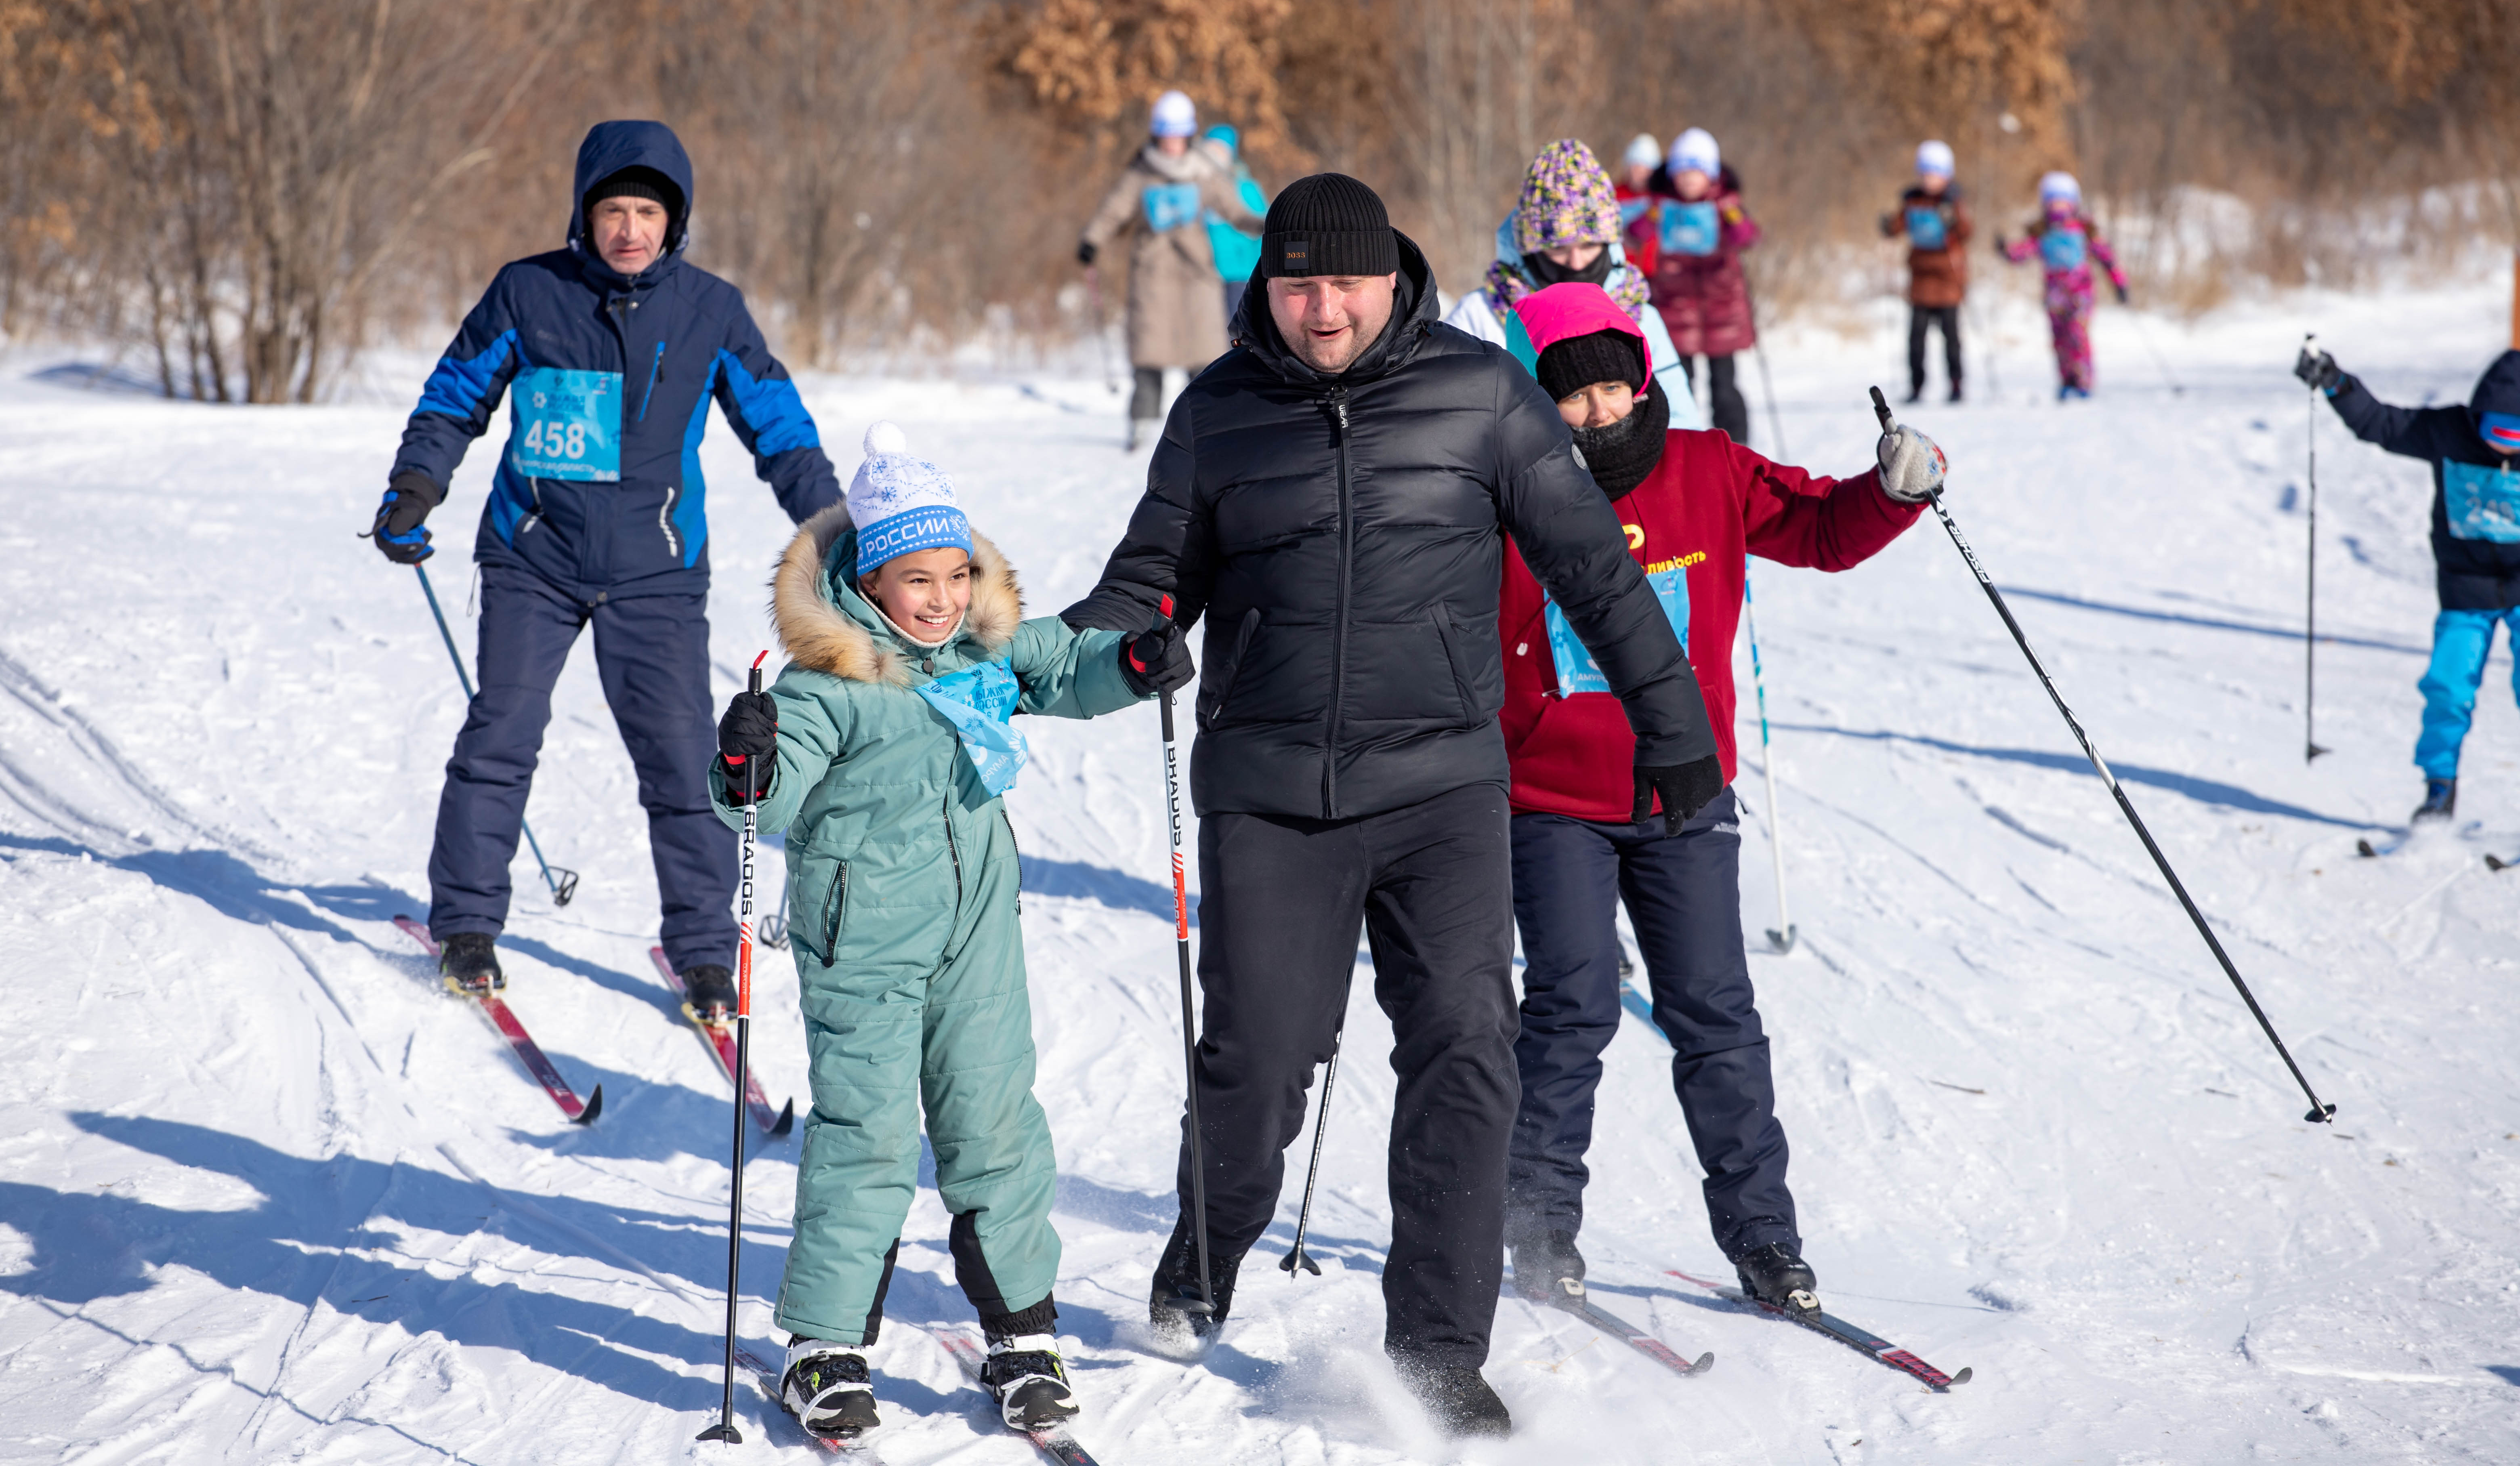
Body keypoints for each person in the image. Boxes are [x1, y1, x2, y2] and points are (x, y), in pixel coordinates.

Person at [1060, 172, 1724, 1439]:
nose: (1322, 309)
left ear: (1393, 278)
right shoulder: (1219, 411)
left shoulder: (1482, 393)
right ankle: (1203, 1253)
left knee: (1468, 1048)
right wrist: (1120, 643)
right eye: (1297, 283)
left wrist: (1672, 723)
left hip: (1443, 789)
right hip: (1269, 791)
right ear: (1268, 286)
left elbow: (1593, 563)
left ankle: (1436, 1349)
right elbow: (1145, 578)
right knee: (1256, 1059)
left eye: (1345, 282)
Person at [708, 422, 1174, 1443]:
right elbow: (768, 800)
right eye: (917, 580)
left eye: (957, 575)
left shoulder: (984, 646)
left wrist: (1133, 660)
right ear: (870, 580)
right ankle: (823, 1346)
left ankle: (1022, 1333)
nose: (943, 599)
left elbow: (1069, 667)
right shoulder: (826, 685)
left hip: (974, 938)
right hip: (859, 941)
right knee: (866, 1136)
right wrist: (744, 765)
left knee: (995, 1124)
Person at [1490, 280, 1943, 1325]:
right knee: (1573, 1009)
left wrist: (1895, 488)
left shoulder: (1706, 468)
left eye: (1612, 386)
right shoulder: (1505, 496)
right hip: (1553, 800)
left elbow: (1823, 527)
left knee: (1717, 1018)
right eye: (1570, 397)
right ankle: (1541, 1230)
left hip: (1686, 801)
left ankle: (1766, 1242)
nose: (1598, 412)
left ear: (1642, 375)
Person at [370, 120, 839, 1009]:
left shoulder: (711, 312)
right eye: (614, 210)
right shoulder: (529, 292)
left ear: (675, 222)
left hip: (656, 567)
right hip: (532, 556)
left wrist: (834, 531)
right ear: (585, 215)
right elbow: (456, 392)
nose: (630, 228)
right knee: (500, 735)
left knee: (682, 756)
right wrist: (417, 483)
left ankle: (704, 947)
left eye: (648, 212)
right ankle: (468, 924)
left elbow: (781, 431)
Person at [2297, 344, 2520, 822]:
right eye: (2496, 432)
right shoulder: (2448, 431)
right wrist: (2337, 383)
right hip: (2466, 588)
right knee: (2448, 686)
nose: (2505, 446)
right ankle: (2440, 786)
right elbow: (2380, 423)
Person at [1443, 138, 1701, 430]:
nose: (1577, 263)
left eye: (1590, 245)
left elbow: (1682, 425)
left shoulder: (1639, 315)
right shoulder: (1479, 316)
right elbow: (1447, 418)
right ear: (1530, 251)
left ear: (1609, 243)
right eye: (1558, 248)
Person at [1078, 90, 1264, 450]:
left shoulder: (1202, 172)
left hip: (1197, 275)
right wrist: (1092, 240)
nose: (1172, 144)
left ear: (1189, 135)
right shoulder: (1142, 172)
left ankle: (1210, 423)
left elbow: (1233, 209)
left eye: (1178, 135)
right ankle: (1142, 424)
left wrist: (1262, 224)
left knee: (1204, 357)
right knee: (1150, 356)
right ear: (1156, 135)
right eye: (1166, 135)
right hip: (1153, 276)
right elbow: (1114, 210)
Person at [1646, 128, 1762, 444]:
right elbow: (1636, 232)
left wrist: (1733, 215)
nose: (1688, 180)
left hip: (1721, 309)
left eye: (1695, 172)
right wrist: (1652, 215)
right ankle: (1682, 445)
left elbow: (1750, 238)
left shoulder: (1726, 204)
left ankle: (1736, 448)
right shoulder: (1662, 205)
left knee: (1724, 387)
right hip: (1676, 307)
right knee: (1678, 384)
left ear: (1710, 174)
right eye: (1682, 173)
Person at [2000, 171, 2127, 399]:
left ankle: (2083, 381)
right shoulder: (2042, 232)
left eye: (2063, 200)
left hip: (2081, 293)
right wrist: (2006, 252)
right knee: (2060, 339)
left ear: (2073, 202)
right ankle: (2066, 380)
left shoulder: (2083, 229)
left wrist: (2120, 284)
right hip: (2055, 296)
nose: (2058, 207)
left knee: (2078, 336)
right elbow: (2023, 252)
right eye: (2053, 201)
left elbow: (2106, 256)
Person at [1882, 139, 1972, 403]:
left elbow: (1966, 232)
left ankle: (1956, 385)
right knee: (1916, 340)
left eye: (1935, 174)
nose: (1929, 180)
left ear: (1946, 175)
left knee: (1952, 339)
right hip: (1920, 280)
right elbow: (1897, 227)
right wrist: (1888, 226)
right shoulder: (1913, 200)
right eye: (1925, 173)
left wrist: (1953, 221)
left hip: (1948, 280)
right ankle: (1917, 386)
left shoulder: (1954, 200)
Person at [1199, 123, 1271, 322]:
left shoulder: (1246, 188)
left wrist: (1262, 270)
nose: (1214, 156)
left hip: (1239, 273)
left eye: (1220, 150)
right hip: (1206, 274)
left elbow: (1262, 229)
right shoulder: (1196, 186)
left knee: (1237, 331)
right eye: (1209, 149)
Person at [1615, 132, 1664, 281]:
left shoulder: (1660, 199)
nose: (1641, 175)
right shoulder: (1614, 195)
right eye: (1637, 168)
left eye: (1647, 170)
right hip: (1620, 269)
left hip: (1652, 272)